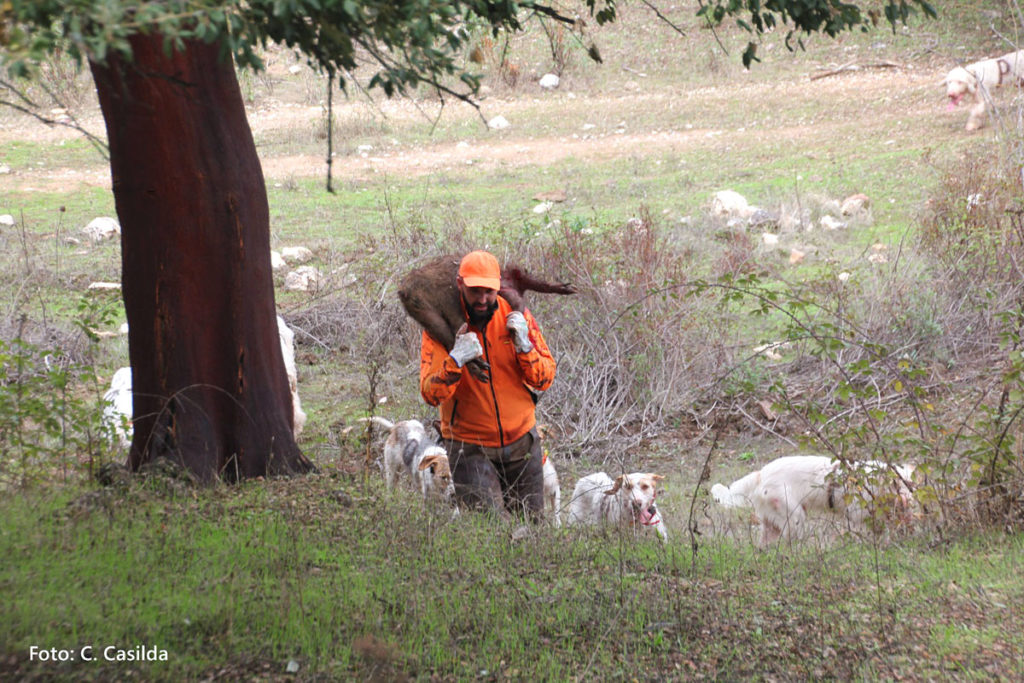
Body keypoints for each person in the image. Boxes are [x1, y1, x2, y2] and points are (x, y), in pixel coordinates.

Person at [419, 250, 556, 521]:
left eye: (489, 291)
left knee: (533, 526)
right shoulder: (441, 325)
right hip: (469, 447)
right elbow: (430, 393)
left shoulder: (515, 314)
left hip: (522, 443)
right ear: (460, 284)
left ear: (498, 286)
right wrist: (455, 360)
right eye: (475, 291)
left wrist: (525, 347)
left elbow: (544, 378)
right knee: (490, 529)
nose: (482, 299)